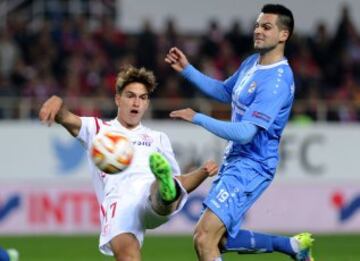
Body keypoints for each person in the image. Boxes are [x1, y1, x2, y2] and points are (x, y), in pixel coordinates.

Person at [165, 4, 314, 261]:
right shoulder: (252, 64)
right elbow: (226, 92)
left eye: (266, 27)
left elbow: (246, 133)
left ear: (283, 35)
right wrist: (188, 70)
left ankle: (292, 247)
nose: (258, 30)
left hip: (254, 165)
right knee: (218, 239)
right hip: (236, 160)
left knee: (204, 237)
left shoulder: (278, 81)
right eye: (257, 25)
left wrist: (198, 117)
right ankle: (292, 247)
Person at [39, 66, 218, 261]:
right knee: (128, 257)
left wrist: (202, 173)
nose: (136, 102)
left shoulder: (157, 138)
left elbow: (180, 182)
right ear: (117, 99)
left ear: (147, 103)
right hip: (120, 204)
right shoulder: (98, 129)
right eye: (130, 96)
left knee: (164, 190)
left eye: (142, 98)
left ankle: (163, 189)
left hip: (150, 197)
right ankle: (164, 189)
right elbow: (65, 117)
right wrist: (56, 101)